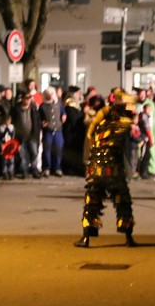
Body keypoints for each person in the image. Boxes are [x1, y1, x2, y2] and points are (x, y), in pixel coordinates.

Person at [75, 89, 138, 248]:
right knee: (123, 202)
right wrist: (124, 99)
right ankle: (128, 238)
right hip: (114, 170)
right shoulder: (122, 122)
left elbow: (90, 132)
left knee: (92, 203)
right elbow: (132, 111)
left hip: (97, 170)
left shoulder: (100, 123)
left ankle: (86, 238)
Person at [40, 87, 65, 177]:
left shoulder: (58, 104)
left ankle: (57, 168)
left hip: (58, 130)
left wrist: (64, 115)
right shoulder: (43, 106)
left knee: (58, 149)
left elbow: (63, 112)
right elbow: (39, 118)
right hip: (48, 131)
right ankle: (47, 168)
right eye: (48, 94)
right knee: (47, 150)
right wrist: (42, 123)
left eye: (51, 94)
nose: (49, 96)